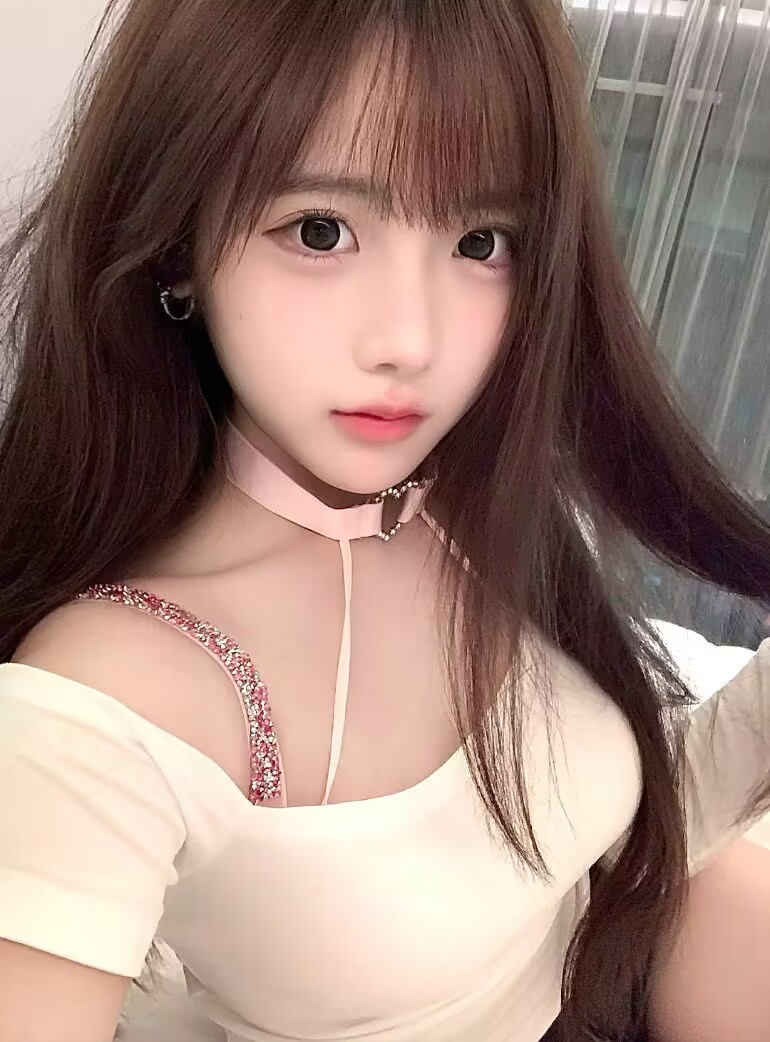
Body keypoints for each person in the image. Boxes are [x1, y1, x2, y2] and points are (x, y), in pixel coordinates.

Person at [0, 2, 768, 1041]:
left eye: (480, 241)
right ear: (176, 245)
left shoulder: (463, 514)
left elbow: (596, 849)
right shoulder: (98, 706)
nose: (410, 339)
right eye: (320, 230)